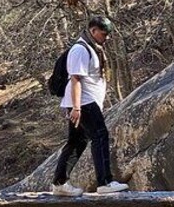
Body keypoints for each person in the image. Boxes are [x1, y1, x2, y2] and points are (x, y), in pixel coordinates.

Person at [51, 16, 129, 196]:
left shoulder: (93, 48)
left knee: (77, 142)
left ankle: (60, 182)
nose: (106, 38)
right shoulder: (80, 49)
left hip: (85, 102)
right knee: (100, 135)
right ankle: (105, 182)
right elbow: (76, 79)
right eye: (103, 34)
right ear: (93, 31)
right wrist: (77, 108)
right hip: (83, 102)